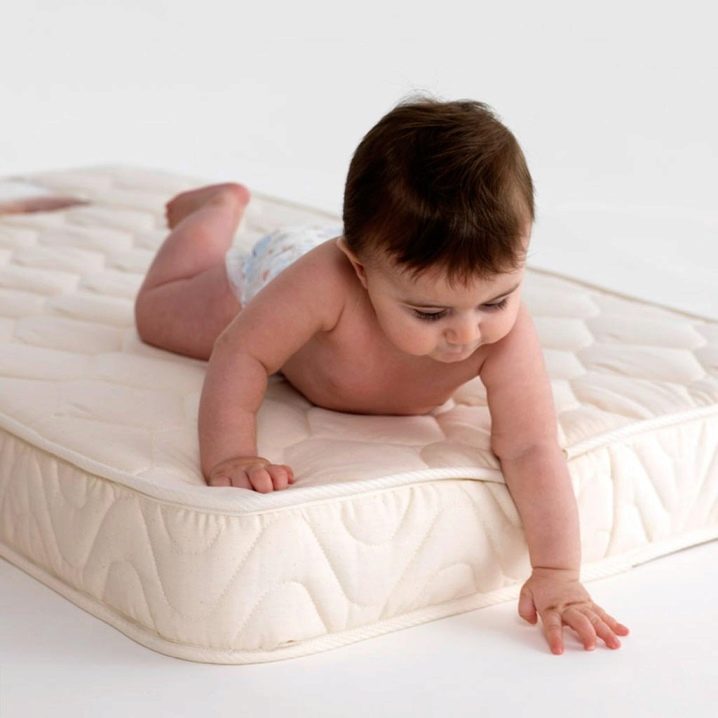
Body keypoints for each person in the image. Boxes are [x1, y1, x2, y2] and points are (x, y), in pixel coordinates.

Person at [134, 94, 630, 655]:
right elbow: (241, 353)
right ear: (361, 270)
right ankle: (216, 209)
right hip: (279, 270)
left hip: (384, 262)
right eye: (430, 313)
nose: (466, 333)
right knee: (158, 314)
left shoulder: (506, 334)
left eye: (496, 300)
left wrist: (558, 572)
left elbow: (531, 446)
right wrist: (231, 454)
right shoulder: (325, 283)